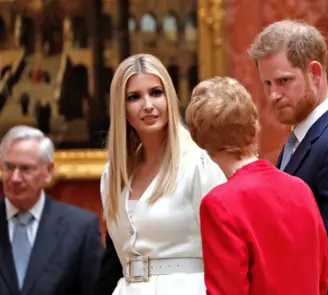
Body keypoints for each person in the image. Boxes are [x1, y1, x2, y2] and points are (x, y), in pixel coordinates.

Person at [248, 19, 328, 295]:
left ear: (315, 73)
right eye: (267, 83)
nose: (273, 95)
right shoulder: (301, 138)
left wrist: (268, 258)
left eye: (284, 81)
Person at [185, 76, 328, 295]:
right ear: (254, 126)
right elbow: (322, 275)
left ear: (200, 140)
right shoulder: (300, 188)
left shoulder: (219, 204)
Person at [97, 53, 226, 295]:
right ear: (121, 108)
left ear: (169, 97)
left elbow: (226, 249)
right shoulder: (112, 175)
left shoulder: (198, 164)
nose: (148, 105)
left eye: (156, 93)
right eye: (134, 97)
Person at [0, 125, 103, 295]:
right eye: (9, 167)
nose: (15, 178)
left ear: (49, 171)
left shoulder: (80, 229)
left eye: (26, 169)